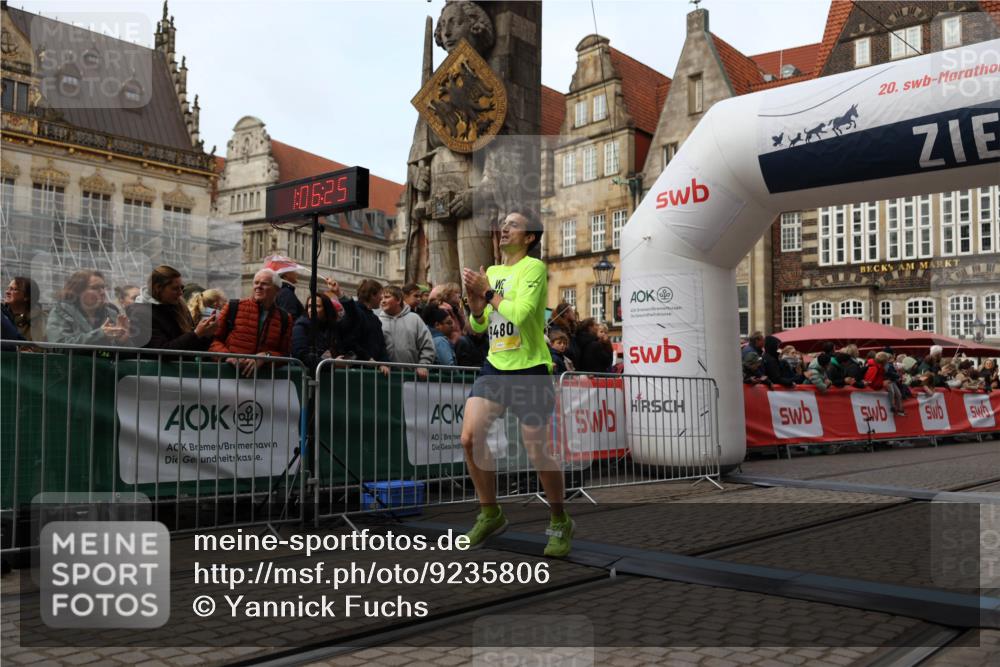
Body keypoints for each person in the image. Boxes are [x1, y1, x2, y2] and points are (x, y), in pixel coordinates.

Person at [459, 211, 573, 558]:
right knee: (470, 437)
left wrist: (487, 292)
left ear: (529, 238)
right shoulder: (491, 272)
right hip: (495, 366)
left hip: (530, 369)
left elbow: (522, 314)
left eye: (514, 225)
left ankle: (559, 520)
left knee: (536, 449)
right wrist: (477, 307)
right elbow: (479, 328)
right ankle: (490, 512)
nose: (504, 228)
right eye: (504, 223)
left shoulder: (534, 269)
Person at [209, 269, 292, 376]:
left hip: (264, 383)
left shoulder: (285, 318)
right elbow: (213, 341)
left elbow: (285, 355)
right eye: (256, 283)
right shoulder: (233, 306)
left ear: (277, 289)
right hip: (227, 378)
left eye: (264, 284)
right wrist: (228, 357)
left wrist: (266, 357)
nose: (258, 286)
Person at [127, 265, 218, 352]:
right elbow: (161, 351)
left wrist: (206, 334)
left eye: (181, 288)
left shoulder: (179, 307)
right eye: (175, 289)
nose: (180, 293)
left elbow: (191, 347)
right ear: (158, 288)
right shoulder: (141, 314)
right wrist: (196, 334)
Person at [47, 270, 131, 346]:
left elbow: (113, 354)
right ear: (78, 291)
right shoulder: (61, 312)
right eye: (94, 288)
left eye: (103, 287)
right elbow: (59, 344)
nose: (102, 292)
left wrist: (121, 341)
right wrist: (100, 334)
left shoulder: (111, 314)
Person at [378, 285, 436, 376]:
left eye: (387, 297)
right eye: (381, 298)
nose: (383, 301)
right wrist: (380, 364)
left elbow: (427, 344)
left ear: (398, 300)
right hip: (385, 378)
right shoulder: (378, 321)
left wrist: (423, 365)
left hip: (412, 378)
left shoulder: (415, 319)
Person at [291, 293, 341, 371]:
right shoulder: (301, 326)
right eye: (310, 306)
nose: (312, 309)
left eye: (317, 306)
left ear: (326, 309)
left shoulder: (331, 328)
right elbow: (301, 355)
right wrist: (332, 364)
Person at [3, 276, 46, 341]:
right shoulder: (2, 315)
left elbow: (41, 346)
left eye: (14, 289)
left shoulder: (42, 319)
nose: (7, 292)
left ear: (27, 296)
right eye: (8, 288)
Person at [264, 255, 306, 321]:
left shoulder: (282, 291)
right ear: (286, 275)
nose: (297, 274)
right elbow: (289, 319)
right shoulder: (286, 293)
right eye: (294, 270)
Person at [865, 350, 904, 416]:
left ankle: (899, 409)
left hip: (889, 381)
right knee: (892, 391)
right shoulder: (874, 367)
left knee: (898, 393)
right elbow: (870, 382)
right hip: (886, 382)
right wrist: (882, 383)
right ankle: (893, 406)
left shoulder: (882, 367)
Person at [547, 301, 579, 367]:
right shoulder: (557, 329)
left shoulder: (570, 329)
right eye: (572, 311)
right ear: (566, 314)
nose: (574, 313)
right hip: (564, 363)